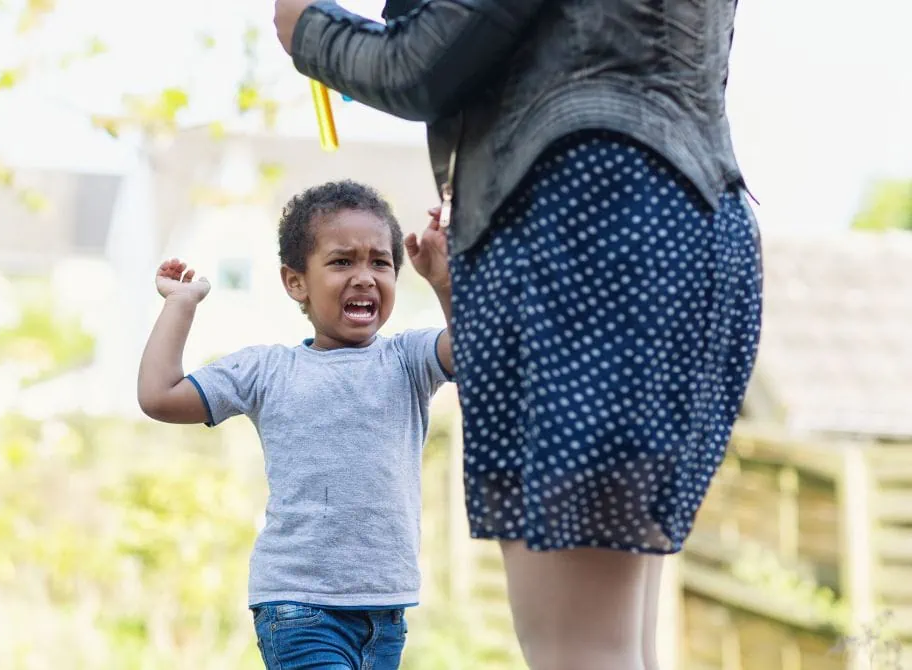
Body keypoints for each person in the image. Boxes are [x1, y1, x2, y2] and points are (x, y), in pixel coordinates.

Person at [273, 2, 764, 669]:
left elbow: (424, 62)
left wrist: (308, 29)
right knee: (620, 642)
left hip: (584, 217)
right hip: (690, 216)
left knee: (579, 651)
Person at [136, 180, 456, 670]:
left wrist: (445, 282)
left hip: (386, 610)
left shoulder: (408, 360)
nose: (365, 276)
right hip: (300, 607)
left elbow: (478, 349)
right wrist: (180, 304)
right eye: (342, 261)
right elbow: (160, 396)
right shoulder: (267, 371)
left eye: (380, 261)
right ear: (295, 282)